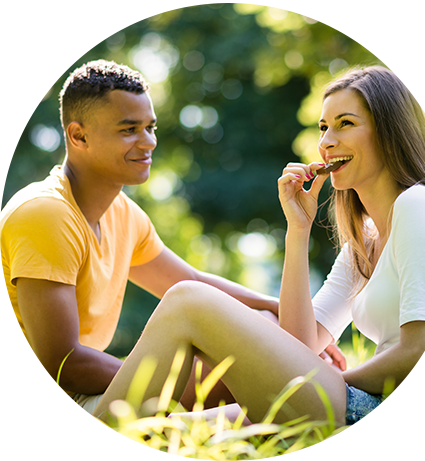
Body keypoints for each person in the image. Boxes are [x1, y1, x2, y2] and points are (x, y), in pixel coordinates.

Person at [91, 66, 425, 451]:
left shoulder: (419, 205)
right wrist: (297, 231)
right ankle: (95, 445)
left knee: (187, 300)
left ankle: (75, 450)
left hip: (414, 419)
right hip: (371, 408)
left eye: (345, 124)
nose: (327, 142)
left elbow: (419, 355)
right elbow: (300, 346)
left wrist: (332, 383)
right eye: (323, 128)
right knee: (177, 431)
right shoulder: (364, 244)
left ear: (388, 132)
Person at [0, 59, 345, 425]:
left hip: (91, 399)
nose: (147, 142)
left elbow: (190, 282)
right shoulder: (46, 215)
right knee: (247, 384)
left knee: (261, 336)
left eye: (150, 127)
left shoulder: (122, 213)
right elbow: (64, 366)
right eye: (129, 129)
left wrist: (282, 313)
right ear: (79, 136)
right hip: (47, 419)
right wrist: (164, 380)